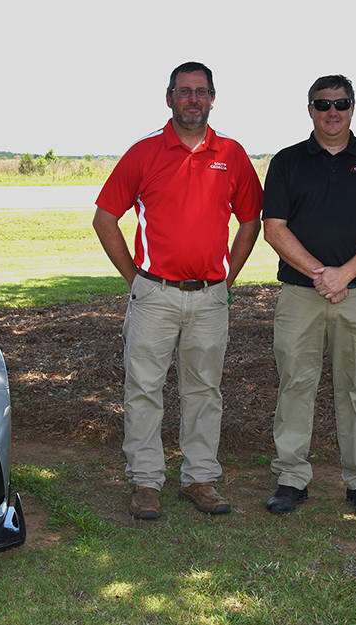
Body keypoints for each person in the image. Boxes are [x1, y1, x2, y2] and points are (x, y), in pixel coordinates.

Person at [93, 61, 262, 520]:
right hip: (154, 294)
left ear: (213, 98)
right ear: (169, 98)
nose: (193, 99)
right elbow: (105, 218)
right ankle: (146, 481)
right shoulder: (144, 153)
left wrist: (230, 280)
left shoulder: (232, 153)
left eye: (201, 91)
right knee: (144, 389)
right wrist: (135, 277)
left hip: (210, 296)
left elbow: (251, 220)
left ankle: (199, 478)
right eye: (184, 91)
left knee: (204, 390)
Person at [260, 75, 356, 519]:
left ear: (353, 107)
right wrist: (322, 275)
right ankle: (291, 478)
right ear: (310, 109)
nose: (332, 112)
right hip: (300, 295)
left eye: (340, 103)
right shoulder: (287, 162)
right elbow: (274, 227)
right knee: (295, 384)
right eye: (323, 104)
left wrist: (344, 275)